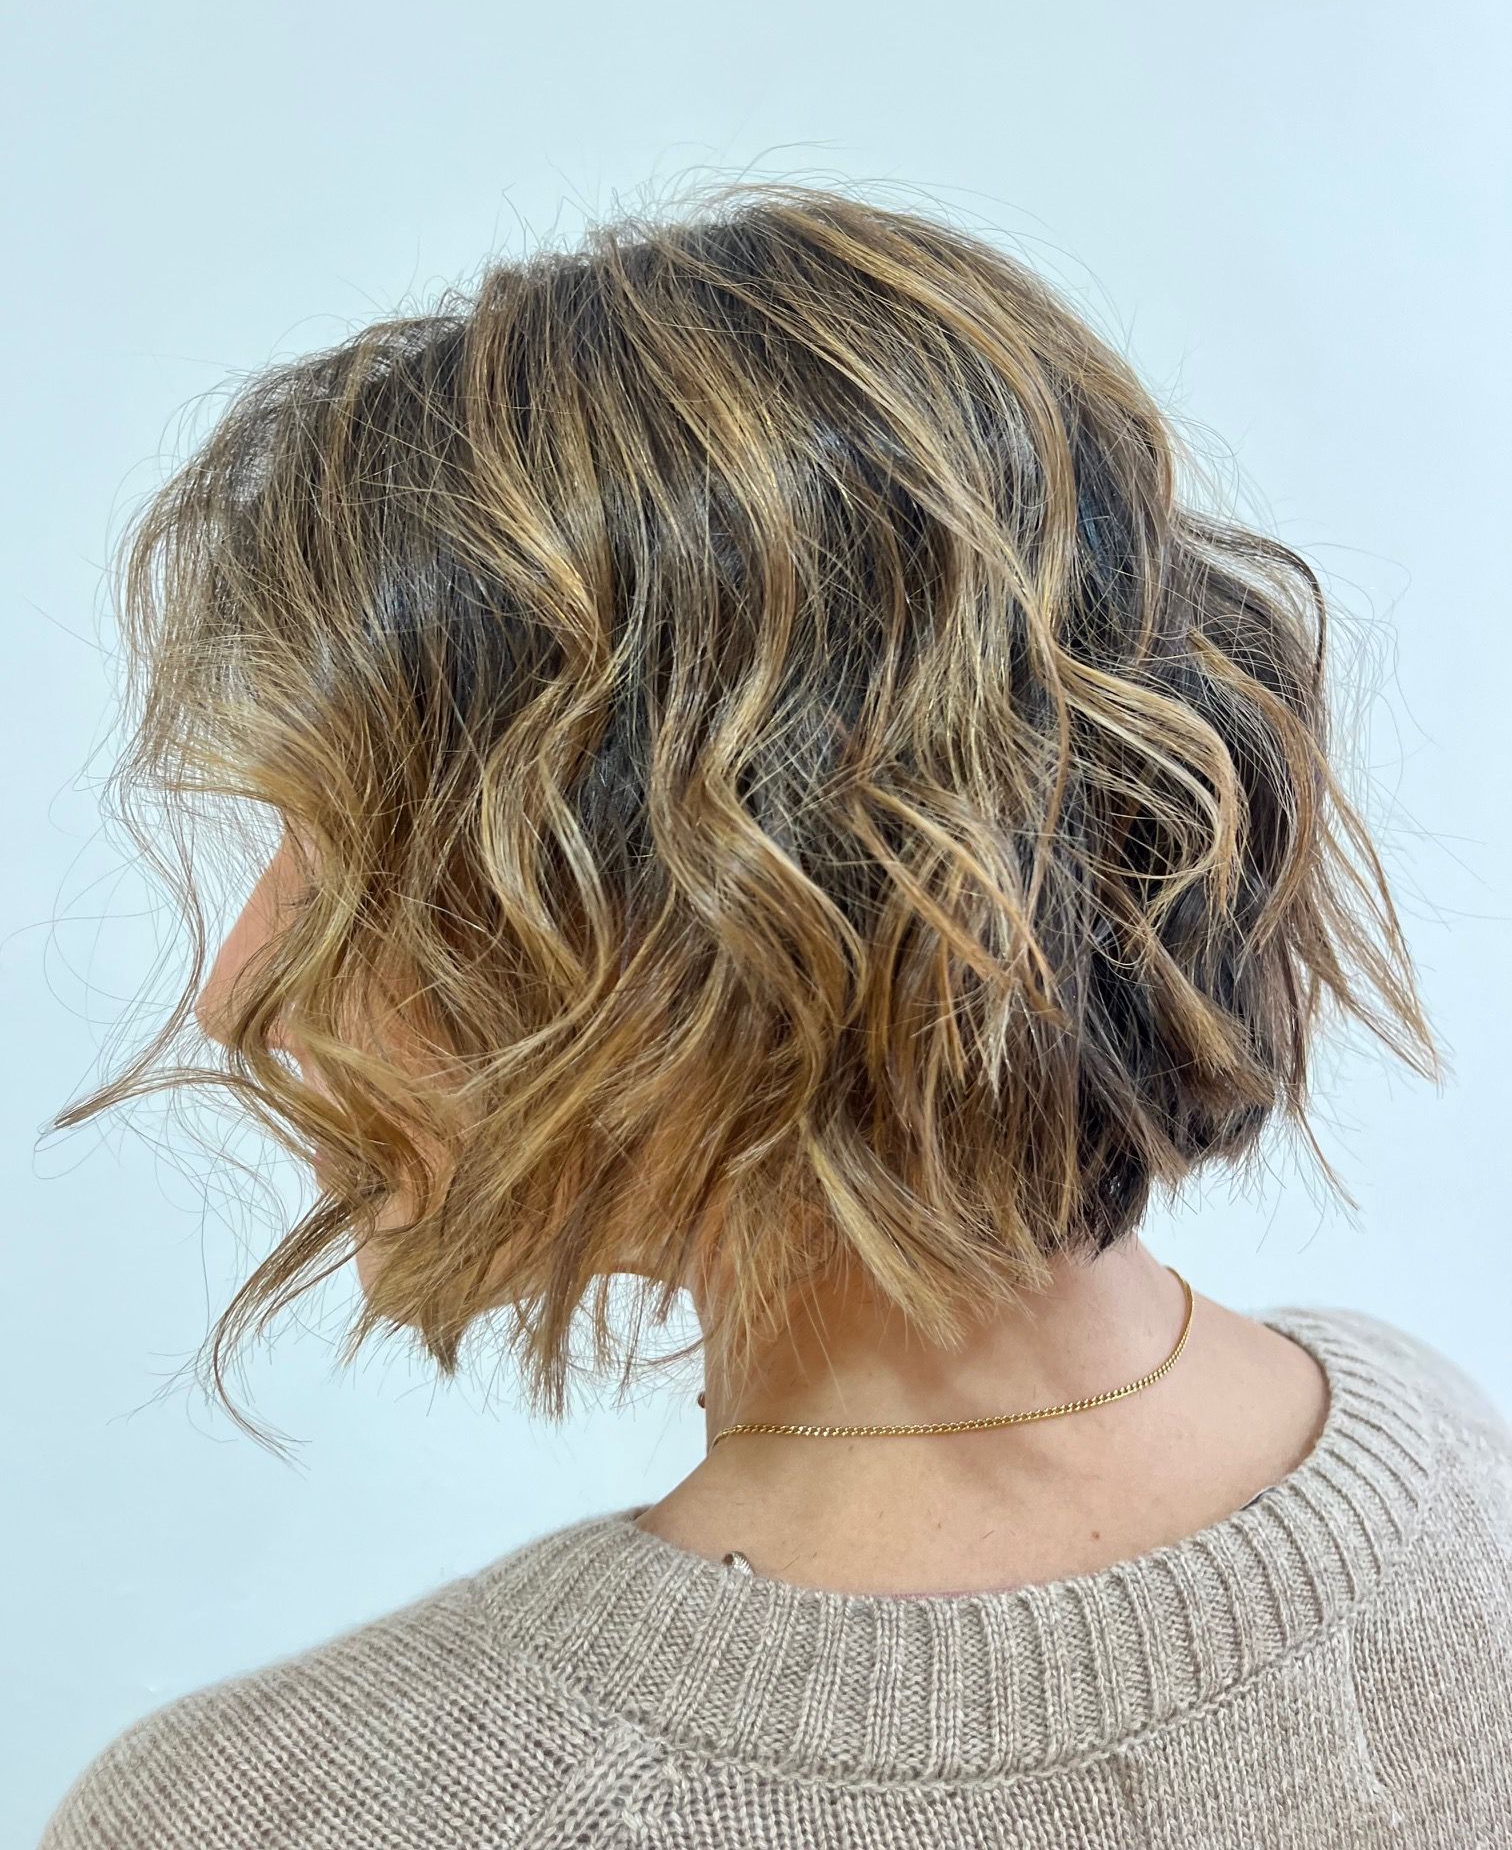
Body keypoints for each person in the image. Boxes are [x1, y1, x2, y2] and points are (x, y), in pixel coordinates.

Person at [38, 181, 1511, 1847]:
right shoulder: (1453, 1484)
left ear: (705, 902)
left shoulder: (276, 1815)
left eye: (338, 848)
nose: (243, 988)